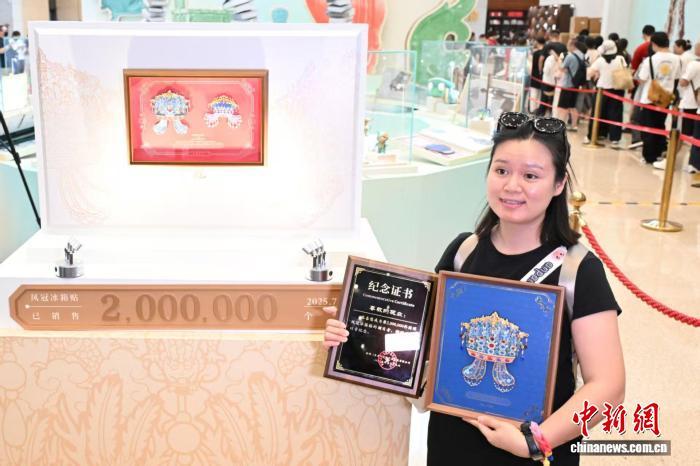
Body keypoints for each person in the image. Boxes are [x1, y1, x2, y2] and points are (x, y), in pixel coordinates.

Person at [323, 112, 625, 466]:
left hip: (533, 453)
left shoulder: (578, 270)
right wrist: (360, 331)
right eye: (501, 170)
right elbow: (423, 342)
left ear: (559, 184)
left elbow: (608, 386)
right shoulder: (463, 252)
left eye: (530, 175)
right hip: (452, 444)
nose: (512, 186)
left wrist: (532, 442)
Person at [637, 31, 681, 164]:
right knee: (660, 125)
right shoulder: (676, 59)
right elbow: (676, 77)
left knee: (648, 127)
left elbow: (642, 79)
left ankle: (649, 156)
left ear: (654, 44)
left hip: (650, 98)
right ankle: (658, 153)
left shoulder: (650, 60)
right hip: (666, 98)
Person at [584, 40, 628, 147]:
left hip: (602, 90)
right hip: (617, 89)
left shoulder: (600, 60)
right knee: (616, 114)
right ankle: (615, 138)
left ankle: (595, 134)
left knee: (598, 112)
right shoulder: (620, 58)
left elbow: (590, 73)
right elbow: (625, 69)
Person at [629, 25, 656, 149]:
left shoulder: (641, 49)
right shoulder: (670, 58)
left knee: (636, 116)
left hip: (643, 92)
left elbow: (635, 71)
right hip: (660, 94)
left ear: (644, 34)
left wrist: (632, 86)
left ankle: (637, 139)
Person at [677, 44, 700, 173]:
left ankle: (693, 164)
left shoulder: (694, 64)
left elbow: (683, 82)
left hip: (690, 102)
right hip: (696, 104)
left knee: (683, 134)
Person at [557, 39, 586, 131]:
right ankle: (574, 125)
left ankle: (560, 125)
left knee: (563, 107)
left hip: (567, 84)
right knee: (573, 106)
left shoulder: (570, 56)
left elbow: (562, 68)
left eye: (568, 45)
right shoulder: (582, 55)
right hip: (576, 84)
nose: (567, 47)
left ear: (573, 45)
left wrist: (559, 60)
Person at [530, 37, 547, 114]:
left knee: (534, 93)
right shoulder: (546, 53)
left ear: (537, 42)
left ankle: (533, 110)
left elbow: (532, 65)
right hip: (543, 77)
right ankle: (538, 110)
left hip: (535, 76)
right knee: (540, 94)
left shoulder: (536, 53)